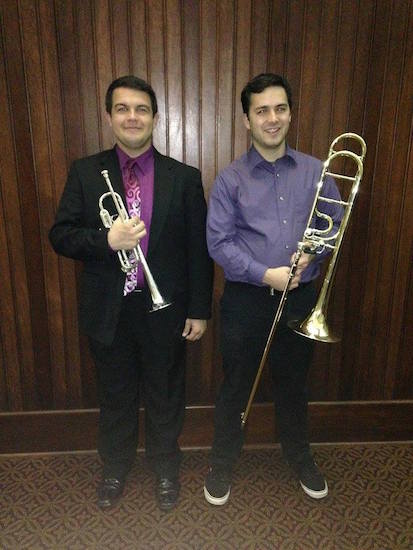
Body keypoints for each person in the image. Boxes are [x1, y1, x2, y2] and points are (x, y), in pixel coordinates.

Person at [49, 75, 213, 511]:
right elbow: (60, 235)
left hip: (165, 308)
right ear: (109, 117)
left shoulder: (184, 176)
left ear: (156, 118)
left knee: (165, 392)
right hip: (109, 309)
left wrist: (199, 309)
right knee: (115, 393)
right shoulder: (86, 171)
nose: (132, 117)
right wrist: (106, 240)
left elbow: (199, 248)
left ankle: (165, 468)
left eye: (141, 109)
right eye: (122, 108)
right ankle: (115, 467)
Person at [204, 73, 342, 505]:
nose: (272, 118)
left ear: (290, 113)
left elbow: (333, 223)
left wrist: (312, 257)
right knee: (236, 385)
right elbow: (218, 242)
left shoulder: (316, 170)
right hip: (247, 301)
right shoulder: (230, 179)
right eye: (261, 110)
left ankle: (300, 457)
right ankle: (222, 463)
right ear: (247, 119)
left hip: (301, 298)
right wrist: (268, 274)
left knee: (294, 384)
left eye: (280, 108)